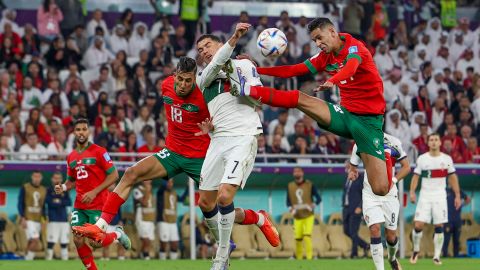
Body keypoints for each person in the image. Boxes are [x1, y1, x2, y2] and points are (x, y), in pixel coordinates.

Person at [72, 57, 277, 259]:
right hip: (172, 152)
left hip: (201, 158)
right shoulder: (166, 86)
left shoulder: (204, 95)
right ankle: (100, 227)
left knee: (220, 208)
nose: (183, 84)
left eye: (188, 80)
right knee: (131, 173)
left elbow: (222, 119)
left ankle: (258, 218)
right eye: (180, 79)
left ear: (195, 78)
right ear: (174, 75)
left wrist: (211, 128)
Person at [233, 17, 391, 196]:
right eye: (314, 40)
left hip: (368, 122)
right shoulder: (324, 57)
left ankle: (386, 151)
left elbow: (351, 67)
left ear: (332, 32)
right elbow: (293, 70)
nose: (318, 43)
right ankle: (249, 90)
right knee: (301, 99)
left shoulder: (355, 47)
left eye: (319, 38)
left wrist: (332, 80)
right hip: (345, 115)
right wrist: (257, 70)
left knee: (380, 189)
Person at [196, 23, 280, 269]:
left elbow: (258, 99)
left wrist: (243, 86)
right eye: (199, 49)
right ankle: (257, 217)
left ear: (219, 45)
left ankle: (222, 257)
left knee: (224, 197)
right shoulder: (204, 77)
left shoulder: (244, 65)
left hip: (243, 136)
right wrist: (234, 38)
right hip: (218, 140)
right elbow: (218, 63)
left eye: (207, 46)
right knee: (206, 203)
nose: (203, 51)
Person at [54, 118, 130, 270]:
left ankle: (117, 234)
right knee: (77, 239)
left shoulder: (99, 152)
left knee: (95, 243)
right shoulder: (71, 157)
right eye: (78, 130)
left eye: (84, 129)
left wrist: (94, 192)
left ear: (89, 132)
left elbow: (114, 175)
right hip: (79, 205)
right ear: (74, 133)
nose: (81, 132)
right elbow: (72, 180)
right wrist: (63, 186)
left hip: (98, 204)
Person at [348, 133, 411, 270]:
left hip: (390, 195)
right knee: (375, 229)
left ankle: (392, 258)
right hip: (370, 194)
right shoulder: (361, 141)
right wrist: (352, 172)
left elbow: (406, 167)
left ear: (381, 120)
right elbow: (352, 167)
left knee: (391, 236)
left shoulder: (393, 142)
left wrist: (393, 181)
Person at [409, 133, 461, 265]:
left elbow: (453, 177)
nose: (433, 142)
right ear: (428, 143)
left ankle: (437, 256)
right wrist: (412, 192)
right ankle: (415, 250)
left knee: (439, 225)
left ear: (440, 143)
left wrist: (457, 195)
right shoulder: (422, 159)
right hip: (425, 195)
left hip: (440, 196)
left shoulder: (447, 159)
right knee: (418, 224)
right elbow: (415, 177)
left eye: (436, 140)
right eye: (431, 140)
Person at [286, 167, 321, 260]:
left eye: (298, 171)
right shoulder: (290, 185)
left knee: (307, 236)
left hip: (308, 216)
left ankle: (309, 258)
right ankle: (299, 259)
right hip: (297, 217)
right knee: (298, 238)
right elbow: (288, 201)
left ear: (302, 173)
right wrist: (290, 208)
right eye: (295, 171)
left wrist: (313, 205)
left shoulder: (310, 184)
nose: (296, 173)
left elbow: (319, 198)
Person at [17, 171, 46, 260]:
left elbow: (43, 206)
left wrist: (43, 220)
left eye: (38, 177)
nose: (36, 178)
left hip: (38, 219)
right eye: (35, 176)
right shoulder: (25, 187)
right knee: (35, 240)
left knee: (31, 241)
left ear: (41, 178)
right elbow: (20, 203)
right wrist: (22, 217)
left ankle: (24, 257)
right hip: (28, 218)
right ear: (32, 177)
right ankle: (28, 259)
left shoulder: (44, 189)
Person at [342, 165, 368, 258]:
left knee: (353, 232)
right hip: (346, 208)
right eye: (346, 168)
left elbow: (365, 194)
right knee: (346, 231)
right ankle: (365, 245)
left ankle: (354, 253)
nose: (346, 169)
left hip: (356, 209)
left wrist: (360, 207)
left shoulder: (360, 179)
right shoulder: (347, 179)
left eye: (348, 167)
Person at [156, 179, 186, 260]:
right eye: (168, 182)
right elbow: (162, 188)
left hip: (172, 221)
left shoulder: (174, 193)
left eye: (172, 182)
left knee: (175, 243)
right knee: (164, 243)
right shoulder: (161, 192)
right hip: (163, 221)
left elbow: (182, 199)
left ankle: (173, 264)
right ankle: (162, 262)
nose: (170, 184)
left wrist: (188, 188)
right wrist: (166, 178)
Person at [45, 172, 71, 260]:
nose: (57, 180)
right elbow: (49, 202)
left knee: (64, 242)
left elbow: (69, 202)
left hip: (64, 219)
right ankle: (48, 260)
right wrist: (60, 202)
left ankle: (65, 260)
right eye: (55, 178)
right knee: (51, 241)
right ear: (52, 179)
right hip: (53, 219)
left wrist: (58, 201)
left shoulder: (64, 190)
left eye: (59, 178)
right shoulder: (48, 190)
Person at [443, 187, 471, 258]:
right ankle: (444, 255)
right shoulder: (445, 190)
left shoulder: (459, 191)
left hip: (457, 220)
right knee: (446, 239)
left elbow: (468, 199)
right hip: (447, 220)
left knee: (456, 240)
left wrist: (462, 205)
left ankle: (456, 256)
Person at [132, 180, 156, 260]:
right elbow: (144, 203)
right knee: (145, 239)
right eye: (146, 179)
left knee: (148, 240)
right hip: (141, 217)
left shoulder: (150, 190)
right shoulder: (137, 190)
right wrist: (148, 191)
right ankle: (146, 257)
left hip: (150, 218)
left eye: (150, 179)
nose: (148, 181)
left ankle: (141, 255)